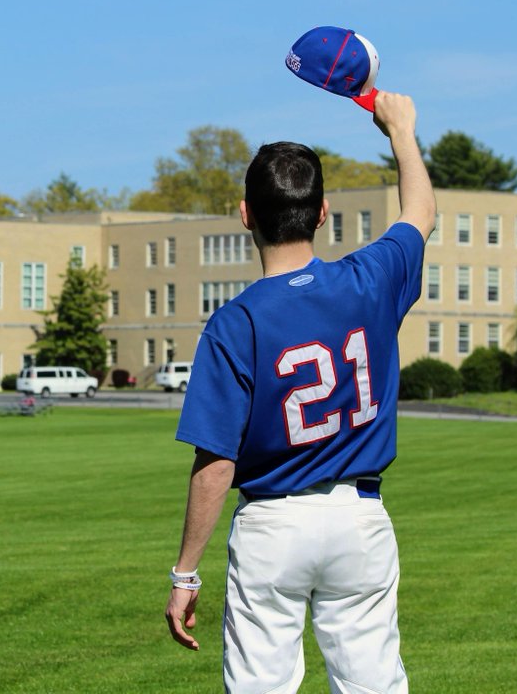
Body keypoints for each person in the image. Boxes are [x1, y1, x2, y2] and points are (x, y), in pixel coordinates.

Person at [163, 92, 435, 693]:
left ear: (245, 215)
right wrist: (400, 131)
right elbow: (420, 213)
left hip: (272, 526)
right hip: (358, 517)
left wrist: (186, 575)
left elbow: (215, 464)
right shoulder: (370, 279)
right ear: (322, 213)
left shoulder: (235, 323)